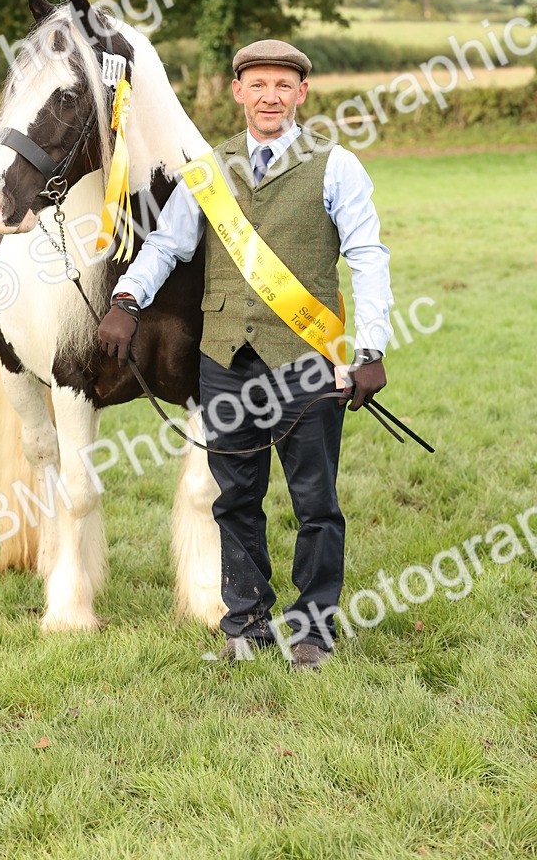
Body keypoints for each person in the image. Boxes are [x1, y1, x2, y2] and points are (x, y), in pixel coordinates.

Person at [97, 40, 393, 669]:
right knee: (235, 497)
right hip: (224, 359)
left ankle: (313, 629)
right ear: (238, 91)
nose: (270, 96)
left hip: (309, 358)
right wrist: (126, 299)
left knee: (315, 500)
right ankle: (247, 622)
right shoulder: (208, 167)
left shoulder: (336, 165)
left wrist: (369, 347)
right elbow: (168, 245)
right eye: (257, 85)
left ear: (302, 94)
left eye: (283, 86)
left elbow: (367, 258)